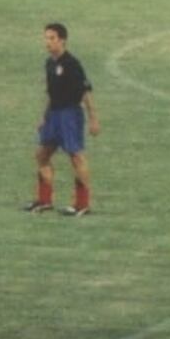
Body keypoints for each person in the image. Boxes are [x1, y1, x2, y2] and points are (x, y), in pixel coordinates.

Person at [28, 23, 100, 217]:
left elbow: (86, 92)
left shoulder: (72, 64)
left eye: (52, 38)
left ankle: (82, 204)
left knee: (76, 157)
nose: (47, 42)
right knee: (42, 155)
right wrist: (44, 117)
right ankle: (44, 200)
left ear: (62, 40)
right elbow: (50, 93)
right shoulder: (49, 63)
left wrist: (93, 119)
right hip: (54, 115)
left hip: (70, 114)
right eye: (46, 38)